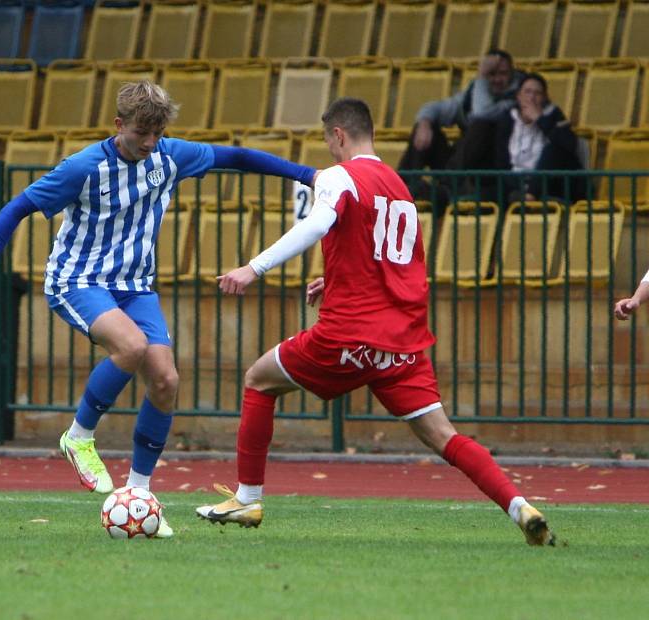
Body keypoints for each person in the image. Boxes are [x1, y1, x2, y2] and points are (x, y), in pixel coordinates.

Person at [0, 81, 316, 539]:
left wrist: (308, 175)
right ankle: (79, 436)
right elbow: (15, 209)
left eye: (157, 133)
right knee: (130, 346)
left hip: (134, 287)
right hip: (78, 280)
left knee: (165, 381)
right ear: (119, 125)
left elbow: (239, 158)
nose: (149, 143)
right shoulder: (83, 167)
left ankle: (139, 494)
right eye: (142, 132)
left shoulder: (169, 155)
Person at [195, 97, 555, 546]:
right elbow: (392, 257)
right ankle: (520, 507)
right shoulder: (398, 185)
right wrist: (335, 276)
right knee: (443, 435)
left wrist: (254, 267)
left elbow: (316, 224)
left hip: (348, 335)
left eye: (329, 142)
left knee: (258, 380)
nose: (329, 152)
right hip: (401, 342)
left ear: (338, 136)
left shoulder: (340, 177)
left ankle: (247, 499)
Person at [399, 49, 523, 174]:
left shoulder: (520, 96)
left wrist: (482, 76)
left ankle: (450, 183)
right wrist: (425, 124)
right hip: (461, 164)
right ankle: (402, 186)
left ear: (512, 74)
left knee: (481, 126)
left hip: (491, 168)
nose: (497, 79)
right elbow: (434, 108)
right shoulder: (471, 94)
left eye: (502, 74)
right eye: (491, 74)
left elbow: (482, 113)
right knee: (423, 126)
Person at [494, 72, 585, 204]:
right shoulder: (508, 118)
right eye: (527, 92)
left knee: (554, 148)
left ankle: (530, 197)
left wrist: (540, 119)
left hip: (551, 184)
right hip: (516, 181)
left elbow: (569, 145)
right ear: (518, 96)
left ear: (544, 97)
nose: (531, 98)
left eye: (537, 93)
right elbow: (501, 160)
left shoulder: (554, 114)